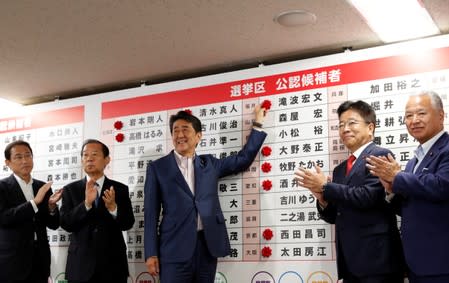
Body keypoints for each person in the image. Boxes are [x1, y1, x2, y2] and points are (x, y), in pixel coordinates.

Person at [144, 105, 268, 283]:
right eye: (175, 131)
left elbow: (242, 160)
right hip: (173, 249)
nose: (179, 135)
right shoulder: (158, 168)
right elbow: (151, 214)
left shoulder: (209, 164)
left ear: (198, 136)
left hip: (207, 247)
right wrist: (151, 253)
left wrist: (257, 124)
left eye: (185, 129)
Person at [295, 100, 405, 283]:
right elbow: (335, 215)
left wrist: (326, 186)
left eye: (352, 123)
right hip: (348, 262)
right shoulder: (339, 170)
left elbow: (369, 196)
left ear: (370, 128)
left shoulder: (379, 156)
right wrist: (322, 199)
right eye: (341, 125)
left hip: (378, 260)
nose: (345, 129)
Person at [366, 91, 449, 282]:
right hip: (416, 262)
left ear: (441, 115)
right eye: (409, 115)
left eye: (421, 113)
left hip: (442, 262)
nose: (414, 120)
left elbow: (442, 185)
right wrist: (391, 191)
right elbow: (410, 208)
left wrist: (397, 177)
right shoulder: (413, 162)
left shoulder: (446, 149)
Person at [60, 139, 135, 283]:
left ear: (107, 160)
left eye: (94, 154)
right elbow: (66, 223)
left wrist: (114, 208)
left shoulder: (119, 189)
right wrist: (86, 204)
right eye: (85, 155)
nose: (89, 158)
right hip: (80, 265)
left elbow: (128, 223)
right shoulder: (70, 189)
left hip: (112, 265)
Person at [0, 140, 62, 283]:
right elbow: (3, 218)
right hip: (12, 261)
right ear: (8, 162)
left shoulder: (42, 187)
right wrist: (35, 202)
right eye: (18, 157)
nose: (24, 160)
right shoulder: (2, 187)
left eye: (28, 155)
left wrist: (52, 207)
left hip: (40, 259)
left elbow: (53, 224)